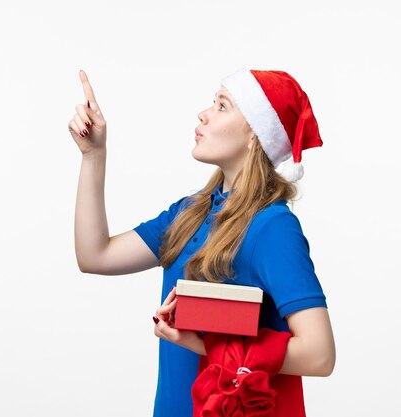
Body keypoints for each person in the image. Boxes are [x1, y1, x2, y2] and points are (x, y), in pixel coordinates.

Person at [70, 67, 336, 417]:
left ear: (256, 135)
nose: (204, 114)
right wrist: (93, 155)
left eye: (223, 106)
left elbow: (320, 354)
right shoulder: (190, 212)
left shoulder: (273, 227)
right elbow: (95, 256)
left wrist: (203, 343)